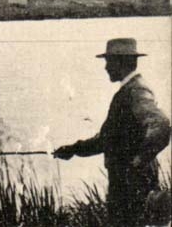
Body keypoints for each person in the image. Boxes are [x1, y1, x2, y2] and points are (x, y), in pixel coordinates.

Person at [53, 37, 171, 227]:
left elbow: (162, 125)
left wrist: (139, 161)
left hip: (133, 188)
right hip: (126, 186)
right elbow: (107, 140)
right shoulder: (129, 91)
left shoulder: (136, 92)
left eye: (109, 61)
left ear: (122, 62)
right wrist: (74, 149)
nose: (106, 67)